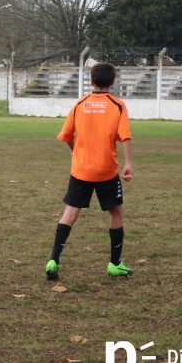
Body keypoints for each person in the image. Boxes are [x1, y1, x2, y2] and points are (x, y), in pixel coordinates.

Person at [45, 63, 134, 281]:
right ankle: (114, 263)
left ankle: (53, 260)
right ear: (112, 83)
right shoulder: (118, 105)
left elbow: (66, 135)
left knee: (70, 213)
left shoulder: (79, 104)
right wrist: (128, 163)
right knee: (116, 213)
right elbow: (125, 136)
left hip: (81, 169)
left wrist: (76, 152)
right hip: (106, 170)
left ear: (91, 81)